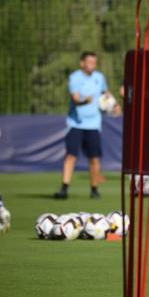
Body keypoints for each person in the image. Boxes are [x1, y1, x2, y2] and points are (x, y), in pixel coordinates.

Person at [53, 51, 116, 199]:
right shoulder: (75, 77)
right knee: (71, 156)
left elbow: (105, 94)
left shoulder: (99, 78)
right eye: (89, 62)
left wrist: (114, 105)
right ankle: (64, 188)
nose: (92, 65)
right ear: (82, 63)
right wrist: (83, 102)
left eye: (94, 62)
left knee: (94, 158)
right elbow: (75, 99)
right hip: (75, 124)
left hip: (93, 124)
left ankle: (94, 189)